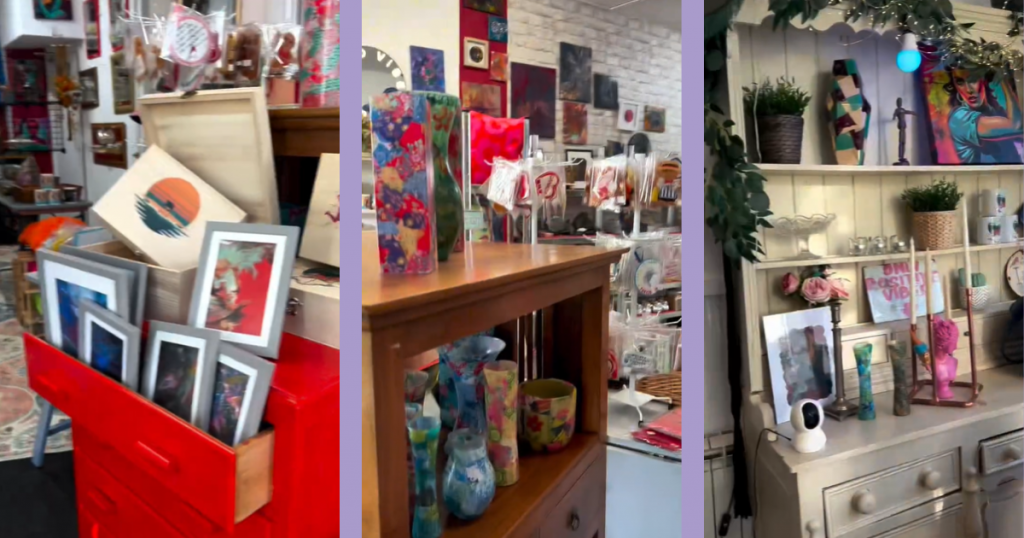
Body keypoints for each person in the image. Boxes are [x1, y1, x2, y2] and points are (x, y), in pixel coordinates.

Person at [944, 68, 1023, 164]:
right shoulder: (959, 119)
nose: (968, 90)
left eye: (973, 80)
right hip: (982, 178)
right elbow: (1015, 125)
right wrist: (1003, 76)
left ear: (984, 80)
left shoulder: (993, 109)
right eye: (960, 82)